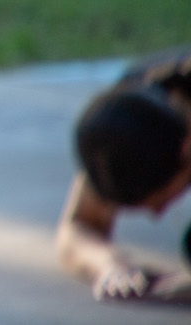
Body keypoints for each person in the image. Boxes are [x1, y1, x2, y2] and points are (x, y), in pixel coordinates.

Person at [57, 46, 191, 303]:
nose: (158, 214)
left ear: (185, 151)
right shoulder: (123, 121)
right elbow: (77, 228)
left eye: (160, 199)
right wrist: (110, 264)